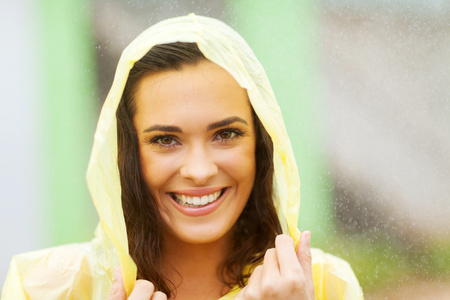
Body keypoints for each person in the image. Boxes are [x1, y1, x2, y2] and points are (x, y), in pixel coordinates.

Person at [2, 14, 363, 300]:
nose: (200, 171)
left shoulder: (322, 287)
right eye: (165, 140)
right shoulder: (44, 288)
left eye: (226, 134)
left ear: (263, 145)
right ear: (128, 153)